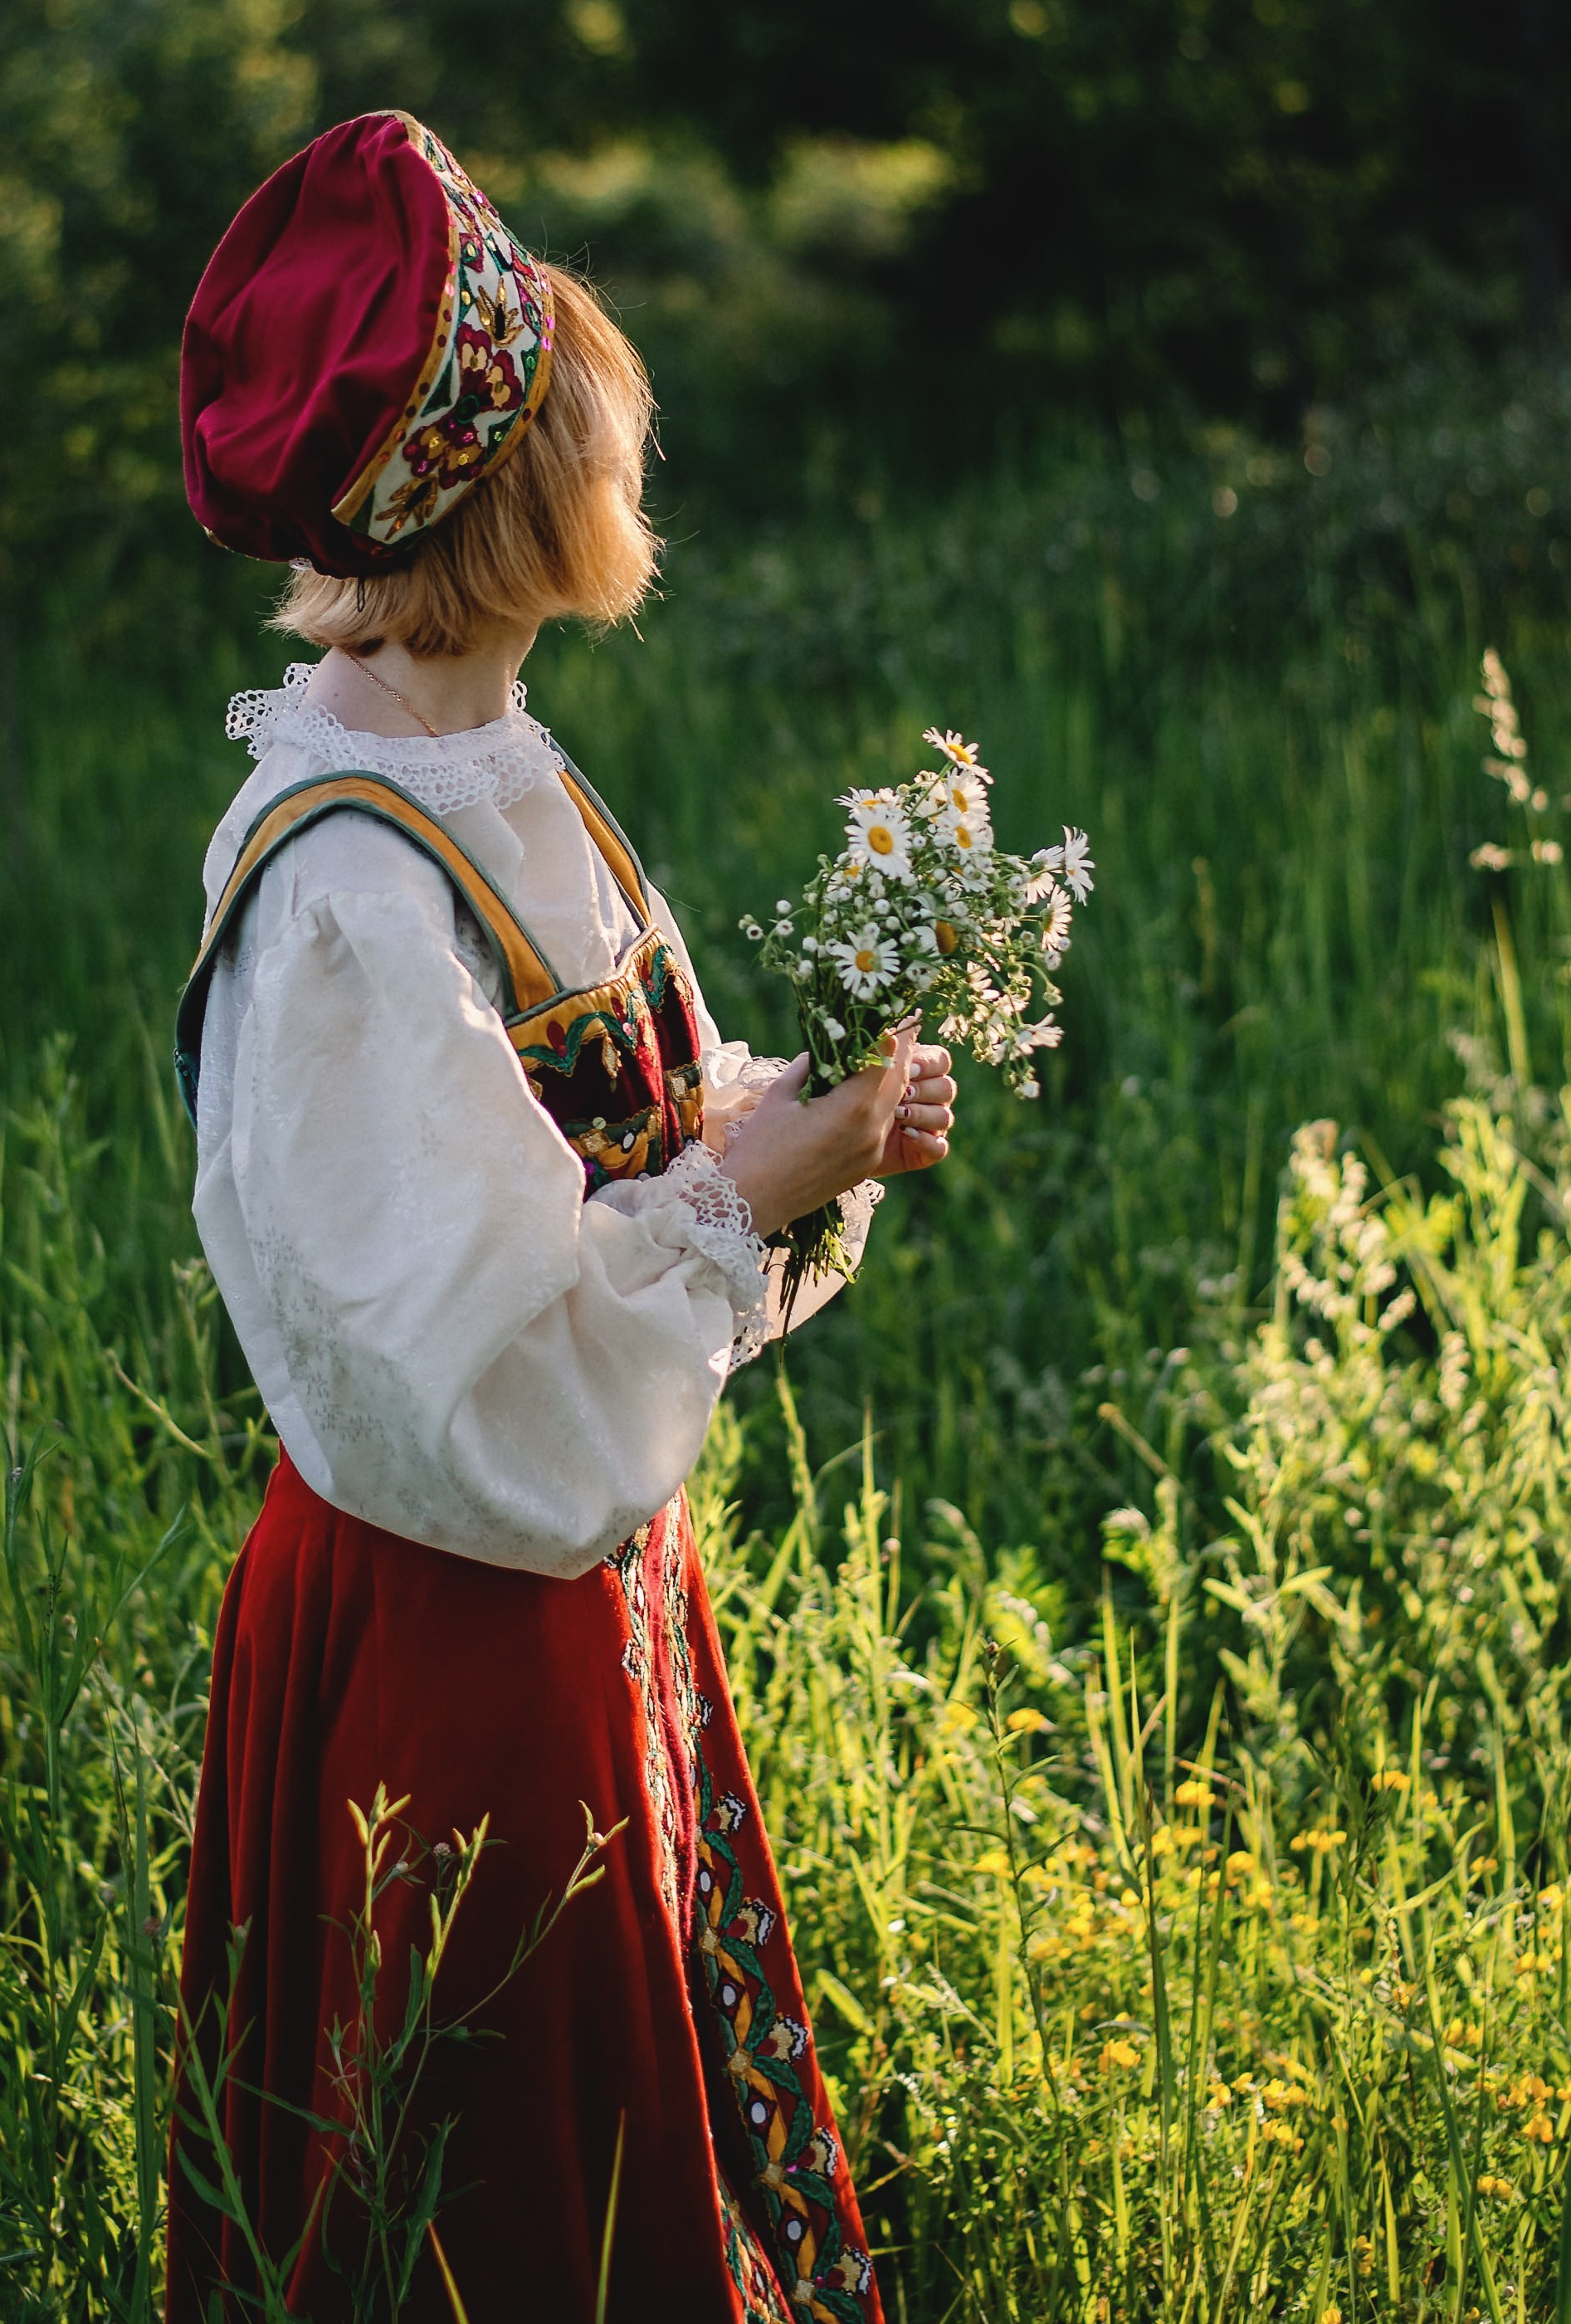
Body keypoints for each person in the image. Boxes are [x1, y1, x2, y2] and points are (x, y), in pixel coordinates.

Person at [165, 111, 956, 2324]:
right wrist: (739, 1189)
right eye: (601, 447)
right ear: (509, 499)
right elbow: (470, 1379)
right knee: (502, 2202)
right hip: (455, 1635)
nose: (631, 493)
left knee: (629, 2167)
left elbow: (599, 1160)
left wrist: (797, 1130)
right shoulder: (344, 885)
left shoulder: (500, 765)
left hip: (581, 1593)